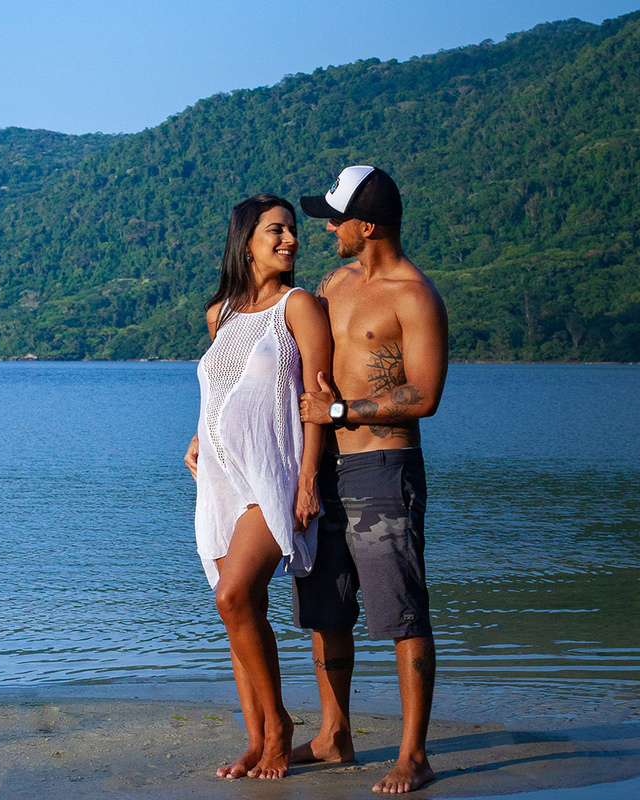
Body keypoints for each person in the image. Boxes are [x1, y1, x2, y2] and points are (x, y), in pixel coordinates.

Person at [291, 166, 449, 794]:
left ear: (369, 224)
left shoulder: (415, 296)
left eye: (337, 217)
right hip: (322, 470)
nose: (328, 228)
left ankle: (414, 754)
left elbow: (425, 395)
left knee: (401, 612)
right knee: (326, 609)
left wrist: (340, 412)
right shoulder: (333, 281)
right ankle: (334, 735)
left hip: (384, 467)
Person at [183, 194, 332, 780]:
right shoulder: (220, 313)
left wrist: (307, 480)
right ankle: (257, 737)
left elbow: (316, 403)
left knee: (232, 596)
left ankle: (281, 729)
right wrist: (195, 436)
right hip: (220, 477)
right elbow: (218, 387)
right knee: (237, 612)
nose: (290, 240)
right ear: (246, 240)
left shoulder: (300, 307)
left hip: (271, 476)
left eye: (293, 231)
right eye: (276, 230)